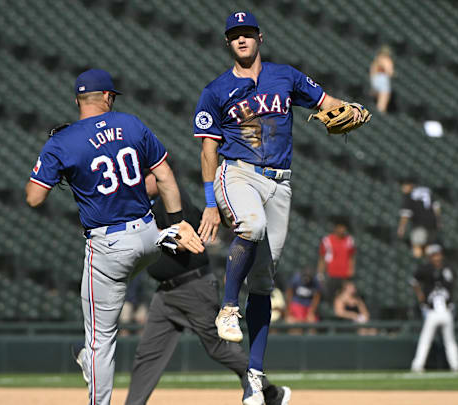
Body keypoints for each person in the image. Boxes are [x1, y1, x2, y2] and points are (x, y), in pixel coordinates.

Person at [193, 11, 367, 405]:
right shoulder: (216, 90)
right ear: (227, 43)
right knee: (250, 226)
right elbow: (207, 149)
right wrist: (208, 204)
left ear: (259, 37)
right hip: (238, 173)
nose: (241, 39)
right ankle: (227, 307)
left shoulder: (285, 76)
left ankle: (254, 376)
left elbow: (327, 102)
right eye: (234, 35)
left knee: (266, 284)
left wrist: (351, 108)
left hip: (280, 183)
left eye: (247, 33)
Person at [25, 68, 204, 405]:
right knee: (142, 250)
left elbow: (34, 198)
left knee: (100, 341)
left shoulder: (62, 142)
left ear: (78, 100)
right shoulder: (131, 124)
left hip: (109, 247)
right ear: (107, 97)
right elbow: (164, 176)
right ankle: (168, 236)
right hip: (148, 237)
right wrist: (179, 223)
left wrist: (56, 162)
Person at [122, 174, 290, 405]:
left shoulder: (171, 200)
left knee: (218, 347)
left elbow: (186, 240)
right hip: (165, 294)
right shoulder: (150, 205)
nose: (141, 182)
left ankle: (268, 392)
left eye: (146, 176)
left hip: (192, 286)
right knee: (148, 353)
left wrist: (151, 233)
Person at [409, 245, 458, 373]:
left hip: (446, 310)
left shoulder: (448, 269)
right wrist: (420, 296)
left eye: (438, 254)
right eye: (434, 255)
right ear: (430, 257)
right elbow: (413, 281)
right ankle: (417, 366)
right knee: (426, 339)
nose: (437, 257)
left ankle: (456, 366)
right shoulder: (425, 268)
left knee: (450, 340)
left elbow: (454, 285)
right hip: (432, 310)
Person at [396, 177, 441, 258]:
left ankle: (419, 264)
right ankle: (428, 263)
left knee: (417, 247)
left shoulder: (409, 195)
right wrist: (438, 221)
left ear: (410, 185)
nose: (403, 188)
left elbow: (406, 214)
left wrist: (401, 227)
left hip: (419, 224)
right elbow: (436, 206)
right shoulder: (427, 190)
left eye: (404, 185)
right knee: (428, 246)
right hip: (432, 223)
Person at [317, 218, 357, 301]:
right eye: (340, 227)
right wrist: (320, 272)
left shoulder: (349, 240)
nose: (342, 230)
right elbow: (322, 258)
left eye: (344, 228)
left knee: (343, 298)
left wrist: (351, 269)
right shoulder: (327, 240)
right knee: (329, 297)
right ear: (336, 228)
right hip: (331, 274)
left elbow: (351, 257)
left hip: (344, 275)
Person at [369, 45, 395, 113]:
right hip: (383, 78)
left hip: (375, 79)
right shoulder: (387, 59)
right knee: (383, 99)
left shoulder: (377, 60)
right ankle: (379, 114)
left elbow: (372, 72)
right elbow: (390, 72)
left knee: (377, 99)